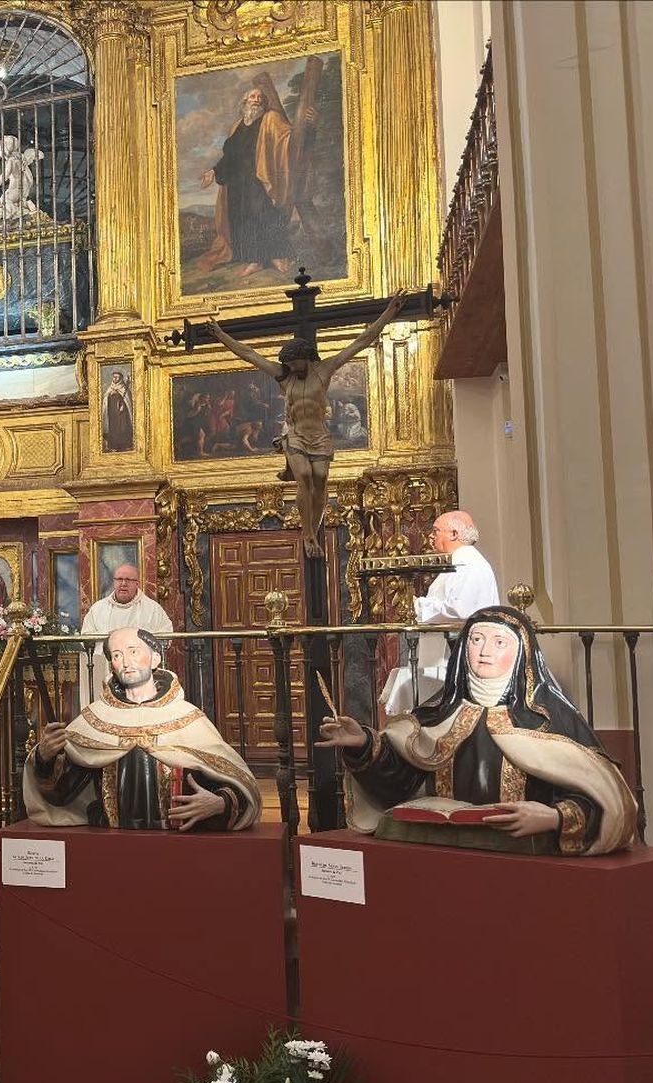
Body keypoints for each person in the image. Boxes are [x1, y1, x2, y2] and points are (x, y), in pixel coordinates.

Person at [318, 607, 637, 856]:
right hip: (439, 856)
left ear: (522, 654)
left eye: (500, 643)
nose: (485, 651)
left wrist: (554, 817)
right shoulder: (436, 716)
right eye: (476, 640)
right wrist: (362, 744)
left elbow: (608, 801)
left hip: (525, 863)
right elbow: (398, 783)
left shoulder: (552, 723)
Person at [208, 292, 403, 559]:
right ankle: (308, 534)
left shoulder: (324, 370)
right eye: (287, 362)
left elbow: (361, 341)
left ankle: (314, 526)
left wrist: (389, 313)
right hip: (296, 435)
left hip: (319, 436)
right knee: (306, 478)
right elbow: (248, 354)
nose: (290, 366)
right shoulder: (284, 377)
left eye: (294, 362)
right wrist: (220, 334)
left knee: (321, 481)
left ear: (306, 357)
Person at [24, 628, 260, 831]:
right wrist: (45, 757)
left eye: (133, 651)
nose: (126, 662)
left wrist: (220, 803)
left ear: (155, 659)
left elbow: (236, 782)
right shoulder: (93, 720)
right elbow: (61, 792)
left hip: (179, 845)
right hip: (111, 844)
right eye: (117, 655)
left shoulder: (188, 718)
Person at [380, 510, 500, 715]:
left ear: (454, 534)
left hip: (456, 652)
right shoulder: (458, 562)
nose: (431, 536)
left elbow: (460, 609)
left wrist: (417, 607)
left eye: (436, 531)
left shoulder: (469, 564)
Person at [197, 78, 295, 277]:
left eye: (260, 97)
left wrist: (305, 126)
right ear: (245, 102)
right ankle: (254, 260)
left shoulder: (270, 118)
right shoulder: (237, 126)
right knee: (242, 219)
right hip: (237, 183)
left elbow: (288, 137)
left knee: (265, 214)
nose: (256, 100)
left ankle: (277, 255)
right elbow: (230, 156)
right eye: (252, 96)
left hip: (259, 178)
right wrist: (213, 171)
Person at [79, 564, 175, 705]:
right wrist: (108, 638)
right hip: (105, 669)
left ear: (137, 583)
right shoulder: (98, 609)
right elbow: (85, 638)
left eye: (128, 580)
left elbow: (166, 637)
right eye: (119, 579)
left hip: (141, 675)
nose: (123, 584)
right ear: (114, 582)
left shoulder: (152, 609)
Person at [102, 371, 134, 452]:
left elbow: (127, 400)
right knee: (113, 429)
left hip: (122, 413)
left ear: (120, 378)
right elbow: (105, 400)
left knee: (123, 428)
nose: (115, 379)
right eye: (114, 377)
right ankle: (113, 446)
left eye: (117, 377)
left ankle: (125, 445)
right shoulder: (110, 388)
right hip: (112, 413)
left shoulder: (123, 388)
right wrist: (109, 395)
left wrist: (123, 406)